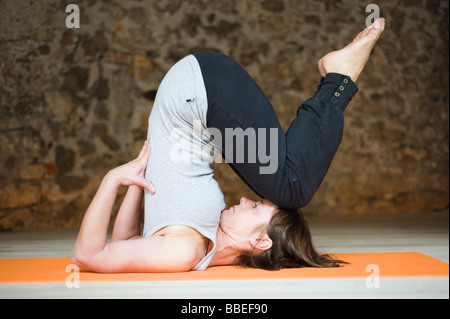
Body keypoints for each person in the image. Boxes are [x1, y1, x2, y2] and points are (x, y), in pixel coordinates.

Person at [72, 18, 385, 273]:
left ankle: (339, 79)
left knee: (292, 188)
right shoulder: (191, 247)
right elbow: (118, 249)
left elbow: (102, 251)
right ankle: (338, 80)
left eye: (258, 206)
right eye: (257, 202)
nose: (246, 199)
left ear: (262, 242)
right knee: (289, 185)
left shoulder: (184, 253)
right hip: (201, 97)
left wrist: (119, 180)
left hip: (198, 94)